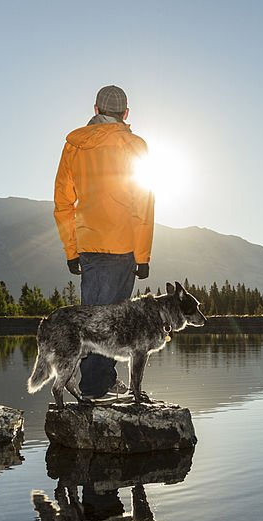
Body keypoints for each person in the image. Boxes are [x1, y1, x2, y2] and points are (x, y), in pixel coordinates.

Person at [53, 85, 155, 400]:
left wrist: (71, 249)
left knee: (93, 315)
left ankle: (94, 382)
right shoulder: (135, 145)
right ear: (126, 114)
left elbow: (62, 201)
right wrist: (143, 255)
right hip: (122, 244)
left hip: (88, 243)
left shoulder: (75, 145)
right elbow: (143, 205)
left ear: (96, 108)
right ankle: (96, 387)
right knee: (111, 320)